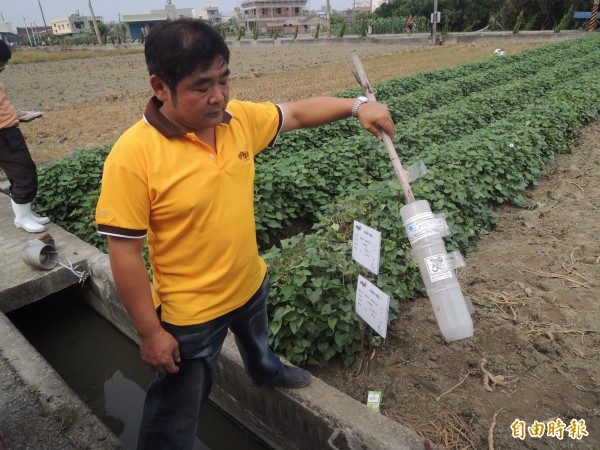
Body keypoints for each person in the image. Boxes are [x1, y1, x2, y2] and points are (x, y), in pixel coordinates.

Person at [95, 18, 394, 450]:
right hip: (191, 317)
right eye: (202, 86)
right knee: (175, 417)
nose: (218, 96)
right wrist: (149, 333)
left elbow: (294, 112)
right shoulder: (133, 156)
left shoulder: (237, 122)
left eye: (224, 79)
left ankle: (266, 370)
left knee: (258, 344)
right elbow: (123, 253)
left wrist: (356, 106)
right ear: (161, 87)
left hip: (249, 282)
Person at [0, 40, 49, 233]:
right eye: (1, 62)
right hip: (4, 135)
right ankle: (22, 218)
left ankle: (26, 214)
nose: (4, 66)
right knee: (24, 174)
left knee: (19, 173)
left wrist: (18, 114)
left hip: (9, 130)